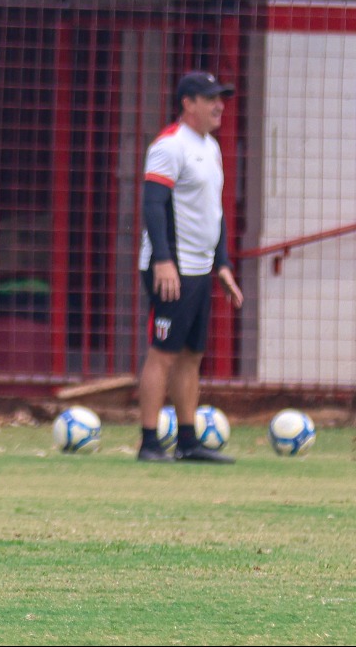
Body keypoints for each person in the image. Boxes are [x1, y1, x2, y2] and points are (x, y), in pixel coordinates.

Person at [135, 71, 244, 463]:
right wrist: (164, 261)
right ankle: (149, 441)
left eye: (222, 98)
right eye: (211, 98)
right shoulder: (169, 146)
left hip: (200, 268)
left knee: (191, 355)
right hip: (172, 268)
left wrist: (224, 264)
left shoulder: (211, 147)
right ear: (188, 103)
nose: (220, 105)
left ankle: (187, 441)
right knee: (163, 352)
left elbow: (214, 213)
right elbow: (152, 205)